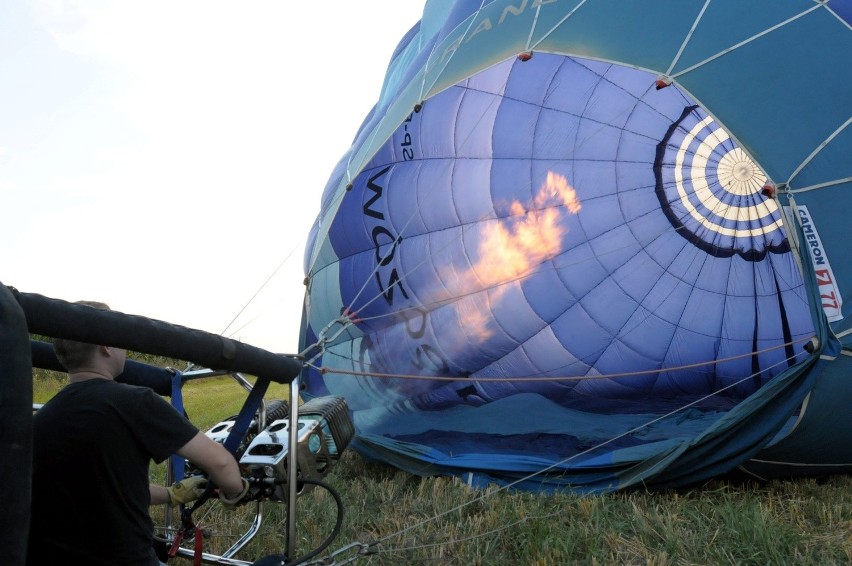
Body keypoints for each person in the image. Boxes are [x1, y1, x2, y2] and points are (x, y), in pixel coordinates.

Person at [27, 301, 250, 566]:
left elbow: (105, 488)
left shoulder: (43, 417)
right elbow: (220, 461)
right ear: (107, 345)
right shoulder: (136, 401)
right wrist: (237, 491)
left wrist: (171, 494)